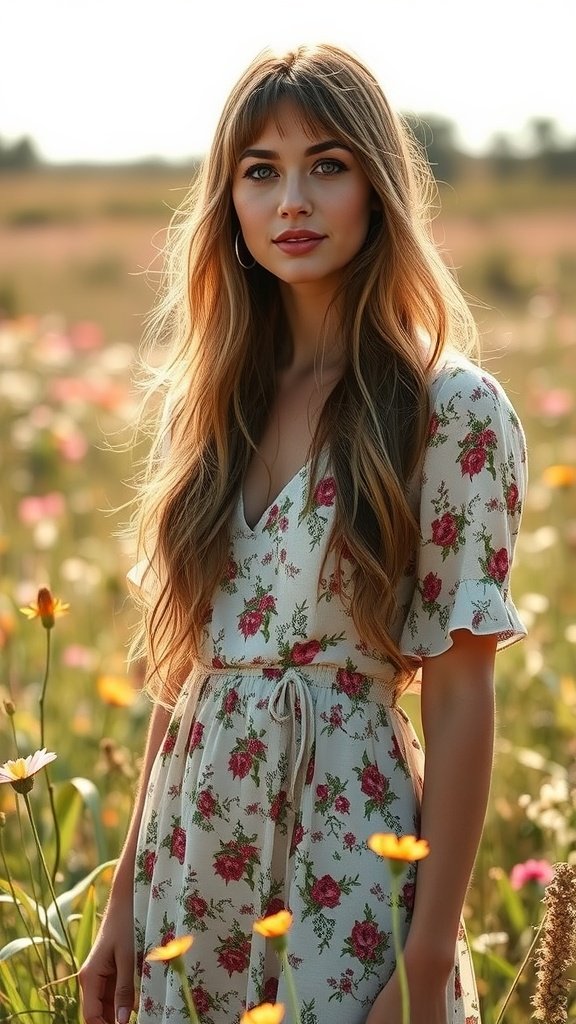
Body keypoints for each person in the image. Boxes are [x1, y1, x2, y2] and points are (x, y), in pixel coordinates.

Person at [79, 43, 528, 1024]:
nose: (292, 200)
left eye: (326, 165)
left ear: (377, 185)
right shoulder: (212, 405)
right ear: (228, 203)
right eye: (260, 172)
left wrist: (427, 953)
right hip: (187, 863)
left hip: (346, 862)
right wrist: (122, 902)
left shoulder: (446, 407)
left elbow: (461, 695)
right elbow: (184, 666)